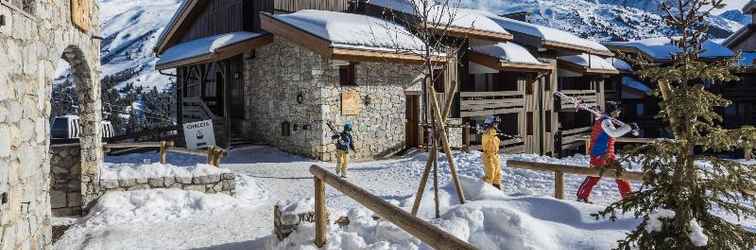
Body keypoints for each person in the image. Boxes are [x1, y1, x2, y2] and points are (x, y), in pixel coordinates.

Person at [576, 105, 633, 203]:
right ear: (613, 112)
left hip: (607, 154)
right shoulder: (605, 121)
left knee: (618, 174)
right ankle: (581, 197)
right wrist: (628, 127)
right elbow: (613, 133)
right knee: (594, 176)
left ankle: (628, 199)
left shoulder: (606, 120)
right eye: (617, 111)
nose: (618, 114)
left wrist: (629, 128)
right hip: (600, 154)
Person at [481, 116, 502, 190]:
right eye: (495, 124)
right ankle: (481, 188)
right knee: (490, 174)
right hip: (488, 156)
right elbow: (487, 136)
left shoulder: (495, 136)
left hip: (495, 156)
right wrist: (491, 132)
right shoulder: (486, 134)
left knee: (497, 174)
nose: (496, 126)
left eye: (497, 124)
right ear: (490, 124)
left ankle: (497, 188)